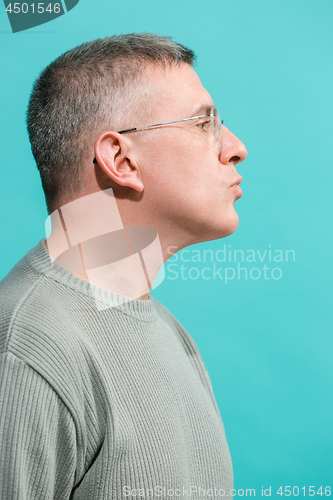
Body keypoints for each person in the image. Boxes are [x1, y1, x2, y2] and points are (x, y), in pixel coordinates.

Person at [0, 33, 247, 499]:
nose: (235, 148)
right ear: (120, 158)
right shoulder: (25, 350)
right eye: (204, 124)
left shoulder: (167, 331)